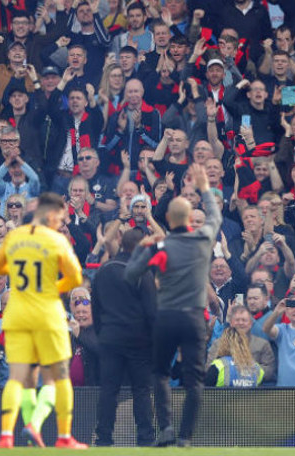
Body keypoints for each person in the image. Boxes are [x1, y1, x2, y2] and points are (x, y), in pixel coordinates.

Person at [125, 163, 220, 447]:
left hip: (165, 317)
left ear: (166, 217)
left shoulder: (160, 245)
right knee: (194, 379)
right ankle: (185, 437)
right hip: (193, 318)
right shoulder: (203, 239)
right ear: (190, 218)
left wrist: (147, 245)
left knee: (160, 374)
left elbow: (130, 274)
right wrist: (204, 187)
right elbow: (215, 215)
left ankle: (165, 428)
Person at [0, 193, 87, 450]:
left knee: (18, 378)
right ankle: (63, 437)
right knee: (59, 376)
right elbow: (75, 278)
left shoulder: (13, 237)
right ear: (50, 215)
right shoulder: (56, 240)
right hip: (47, 314)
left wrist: (24, 281)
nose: (61, 221)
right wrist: (53, 286)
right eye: (61, 216)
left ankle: (6, 435)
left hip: (17, 313)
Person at [92, 227, 156, 447]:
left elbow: (95, 308)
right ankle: (146, 438)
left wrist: (103, 334)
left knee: (109, 390)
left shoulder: (103, 270)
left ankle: (103, 438)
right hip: (138, 341)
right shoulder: (142, 272)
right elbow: (151, 312)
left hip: (109, 339)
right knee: (141, 390)